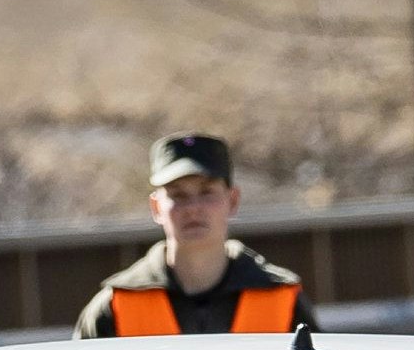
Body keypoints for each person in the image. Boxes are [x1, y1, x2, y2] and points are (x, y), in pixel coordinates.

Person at [73, 134, 314, 339]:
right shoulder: (115, 306)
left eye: (206, 192)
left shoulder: (282, 298)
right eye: (178, 195)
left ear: (232, 201)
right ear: (156, 207)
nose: (193, 208)